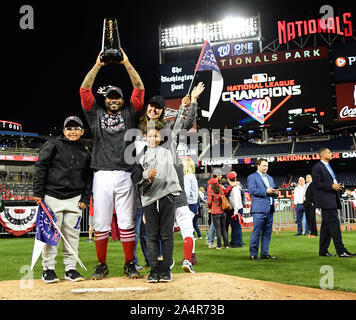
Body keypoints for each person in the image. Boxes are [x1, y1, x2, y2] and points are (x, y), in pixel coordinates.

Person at [80, 49, 145, 279]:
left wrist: (126, 62)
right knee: (101, 223)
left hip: (126, 174)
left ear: (122, 99)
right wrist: (98, 65)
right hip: (102, 175)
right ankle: (102, 265)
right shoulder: (95, 114)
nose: (114, 99)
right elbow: (84, 89)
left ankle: (129, 264)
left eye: (117, 96)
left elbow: (139, 88)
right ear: (105, 99)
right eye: (110, 97)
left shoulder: (130, 112)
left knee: (127, 222)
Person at [136, 82, 205, 271]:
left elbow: (184, 124)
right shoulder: (137, 131)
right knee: (155, 230)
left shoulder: (168, 130)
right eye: (152, 107)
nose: (154, 110)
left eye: (159, 108)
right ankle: (163, 261)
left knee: (179, 223)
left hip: (172, 184)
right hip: (151, 188)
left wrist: (190, 104)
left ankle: (184, 259)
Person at [33, 116, 92, 283]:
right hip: (52, 196)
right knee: (51, 234)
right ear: (64, 130)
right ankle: (48, 269)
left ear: (81, 131)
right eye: (69, 128)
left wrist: (86, 198)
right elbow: (41, 166)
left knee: (72, 235)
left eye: (76, 128)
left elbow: (89, 177)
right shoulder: (53, 144)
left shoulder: (85, 153)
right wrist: (38, 191)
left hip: (75, 198)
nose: (72, 131)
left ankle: (70, 269)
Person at [137, 120, 182, 282]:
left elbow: (177, 127)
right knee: (151, 235)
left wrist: (184, 107)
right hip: (148, 197)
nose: (152, 137)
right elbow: (135, 178)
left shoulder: (167, 149)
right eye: (149, 135)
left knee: (166, 234)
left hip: (167, 196)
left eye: (156, 135)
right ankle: (154, 269)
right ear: (144, 137)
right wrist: (145, 175)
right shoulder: (140, 155)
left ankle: (165, 269)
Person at [311, 148, 355, 258]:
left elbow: (331, 182)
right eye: (329, 152)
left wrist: (337, 187)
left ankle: (323, 251)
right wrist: (331, 186)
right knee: (334, 226)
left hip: (331, 199)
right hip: (326, 201)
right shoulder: (317, 167)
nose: (331, 154)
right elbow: (317, 184)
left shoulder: (327, 166)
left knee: (326, 228)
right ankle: (341, 251)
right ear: (322, 154)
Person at [247, 158, 278, 260]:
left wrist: (275, 192)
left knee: (267, 233)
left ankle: (264, 253)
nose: (266, 168)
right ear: (258, 166)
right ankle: (253, 254)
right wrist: (266, 191)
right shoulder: (252, 177)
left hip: (269, 208)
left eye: (267, 166)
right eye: (264, 165)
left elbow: (271, 191)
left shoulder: (270, 178)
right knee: (256, 232)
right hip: (259, 209)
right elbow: (252, 191)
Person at [207, 178, 229, 249]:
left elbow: (209, 202)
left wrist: (209, 207)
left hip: (215, 212)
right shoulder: (221, 190)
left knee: (218, 230)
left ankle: (219, 245)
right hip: (223, 212)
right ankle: (226, 245)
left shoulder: (211, 192)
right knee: (224, 229)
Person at [183, 158, 201, 240]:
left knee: (187, 225)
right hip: (193, 202)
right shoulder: (192, 176)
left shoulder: (187, 177)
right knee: (189, 223)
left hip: (189, 203)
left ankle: (190, 239)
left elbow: (186, 192)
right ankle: (191, 237)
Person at [227, 172, 243, 248]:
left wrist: (235, 212)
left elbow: (236, 200)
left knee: (236, 226)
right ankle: (234, 241)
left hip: (236, 209)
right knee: (234, 226)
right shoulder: (236, 187)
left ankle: (238, 243)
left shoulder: (235, 188)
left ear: (228, 179)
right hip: (237, 208)